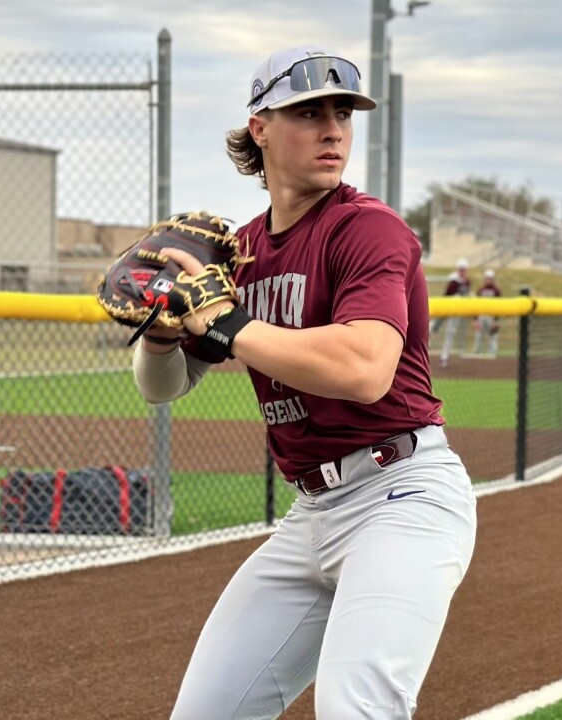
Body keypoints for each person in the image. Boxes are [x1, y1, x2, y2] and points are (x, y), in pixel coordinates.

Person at [131, 45, 477, 719]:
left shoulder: (368, 229)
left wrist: (225, 320)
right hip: (311, 513)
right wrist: (167, 332)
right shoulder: (239, 252)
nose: (333, 130)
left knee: (357, 709)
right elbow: (162, 387)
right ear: (259, 127)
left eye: (342, 113)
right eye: (309, 111)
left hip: (400, 496)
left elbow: (365, 370)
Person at [438, 258, 472, 367]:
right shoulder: (454, 280)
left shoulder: (467, 281)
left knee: (450, 333)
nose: (462, 271)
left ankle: (444, 357)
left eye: (464, 269)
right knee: (432, 327)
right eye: (461, 269)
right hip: (447, 308)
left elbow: (467, 295)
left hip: (456, 312)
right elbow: (446, 294)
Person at [472, 269, 502, 357]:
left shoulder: (496, 291)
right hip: (482, 315)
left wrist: (496, 320)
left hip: (492, 316)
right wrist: (475, 320)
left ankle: (492, 353)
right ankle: (477, 352)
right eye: (487, 279)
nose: (488, 280)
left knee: (493, 335)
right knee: (478, 335)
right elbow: (475, 305)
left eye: (490, 279)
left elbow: (499, 306)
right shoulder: (480, 290)